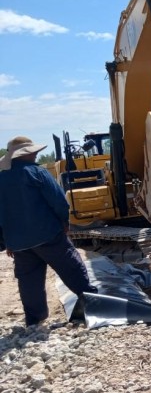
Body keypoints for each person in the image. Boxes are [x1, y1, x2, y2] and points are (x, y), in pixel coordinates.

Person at [0, 136, 98, 327]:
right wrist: (64, 222)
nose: (36, 154)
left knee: (29, 282)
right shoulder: (37, 172)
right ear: (27, 154)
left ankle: (35, 321)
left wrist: (7, 242)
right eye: (34, 152)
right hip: (48, 235)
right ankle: (93, 304)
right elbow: (58, 200)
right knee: (72, 268)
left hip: (19, 244)